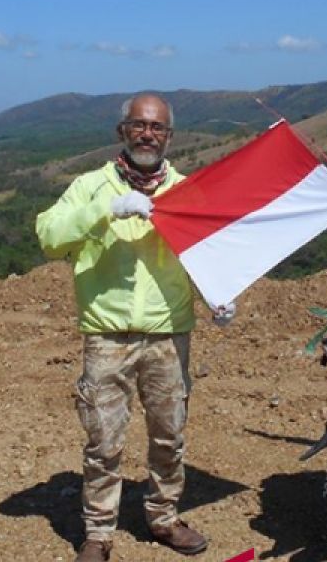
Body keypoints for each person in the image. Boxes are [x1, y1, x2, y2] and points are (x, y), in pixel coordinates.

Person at [36, 93, 213, 561]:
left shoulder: (186, 190)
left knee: (169, 435)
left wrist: (221, 294)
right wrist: (104, 211)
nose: (148, 134)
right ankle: (98, 533)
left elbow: (208, 253)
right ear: (122, 132)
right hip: (107, 334)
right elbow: (49, 236)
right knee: (103, 439)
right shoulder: (91, 187)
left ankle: (165, 518)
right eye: (139, 126)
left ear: (170, 137)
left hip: (168, 332)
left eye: (157, 128)